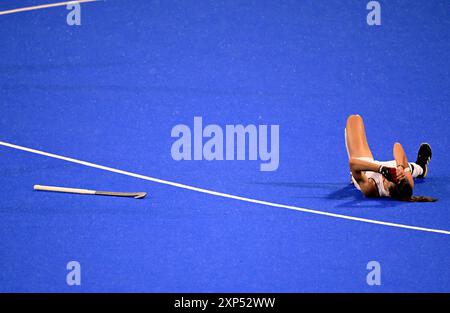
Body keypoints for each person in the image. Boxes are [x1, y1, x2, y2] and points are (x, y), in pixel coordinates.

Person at [345, 114, 436, 202]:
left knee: (354, 119)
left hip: (364, 169)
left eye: (387, 180)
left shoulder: (371, 189)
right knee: (409, 167)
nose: (385, 176)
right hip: (396, 169)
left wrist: (380, 169)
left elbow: (353, 163)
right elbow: (397, 146)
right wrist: (400, 166)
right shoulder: (407, 184)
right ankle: (421, 168)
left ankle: (355, 178)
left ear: (388, 192)